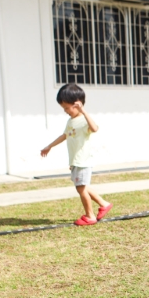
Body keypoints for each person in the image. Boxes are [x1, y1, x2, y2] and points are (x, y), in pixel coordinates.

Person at [41, 83, 112, 226]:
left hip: (84, 161)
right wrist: (50, 146)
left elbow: (95, 128)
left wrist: (84, 112)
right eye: (64, 108)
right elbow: (64, 135)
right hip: (76, 160)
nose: (65, 111)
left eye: (67, 108)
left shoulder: (84, 120)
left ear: (77, 104)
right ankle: (104, 204)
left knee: (81, 188)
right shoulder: (70, 121)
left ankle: (90, 216)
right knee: (82, 186)